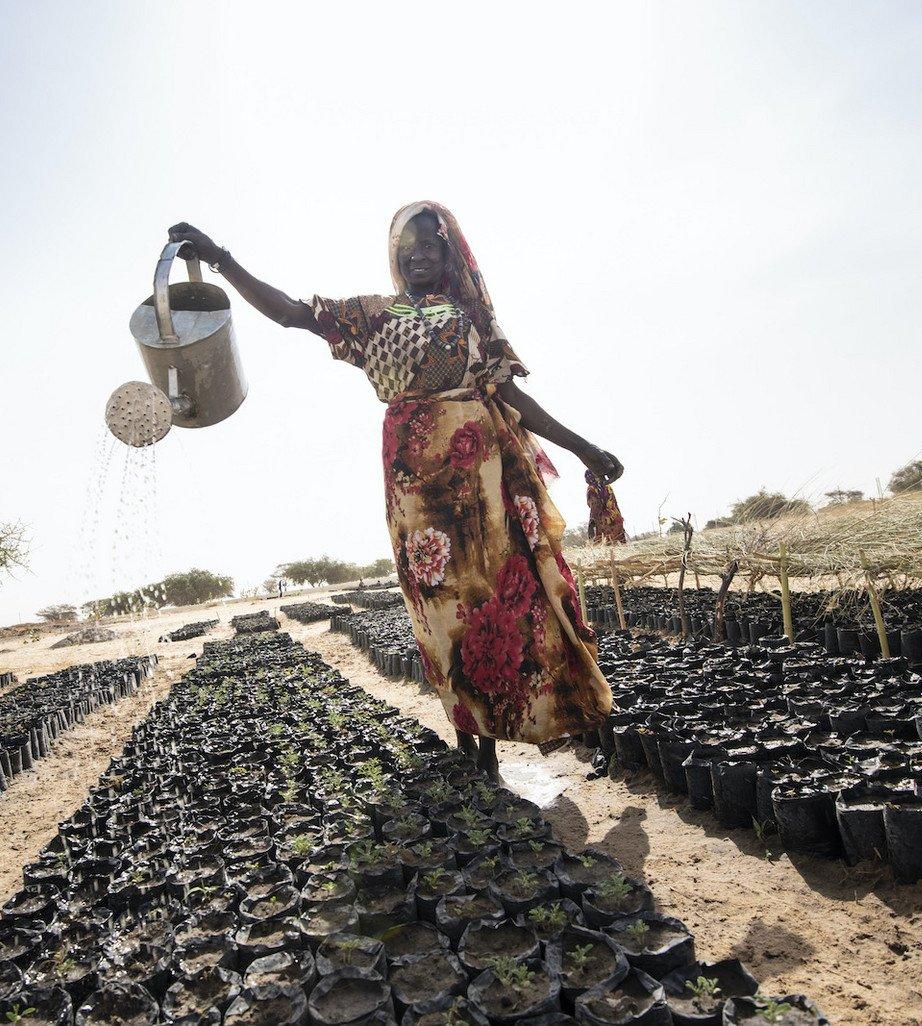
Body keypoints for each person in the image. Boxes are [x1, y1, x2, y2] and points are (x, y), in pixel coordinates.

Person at [168, 204, 620, 779]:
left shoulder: (471, 319)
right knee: (441, 610)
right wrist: (219, 258)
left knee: (506, 595)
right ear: (394, 253)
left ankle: (552, 726)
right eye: (408, 244)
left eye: (431, 243)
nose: (419, 252)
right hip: (418, 489)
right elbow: (290, 314)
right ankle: (473, 750)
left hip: (483, 480)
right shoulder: (372, 316)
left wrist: (585, 448)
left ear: (448, 251)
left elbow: (515, 401)